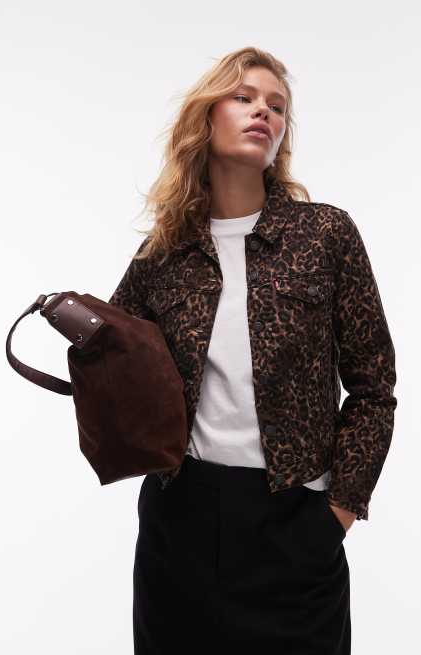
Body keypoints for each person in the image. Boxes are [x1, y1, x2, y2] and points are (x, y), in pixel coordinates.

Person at [108, 46, 397, 655]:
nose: (263, 111)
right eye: (243, 98)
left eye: (277, 106)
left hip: (294, 520)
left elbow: (374, 386)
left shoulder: (324, 234)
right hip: (179, 520)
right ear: (205, 117)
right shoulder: (165, 252)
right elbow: (117, 368)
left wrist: (338, 512)